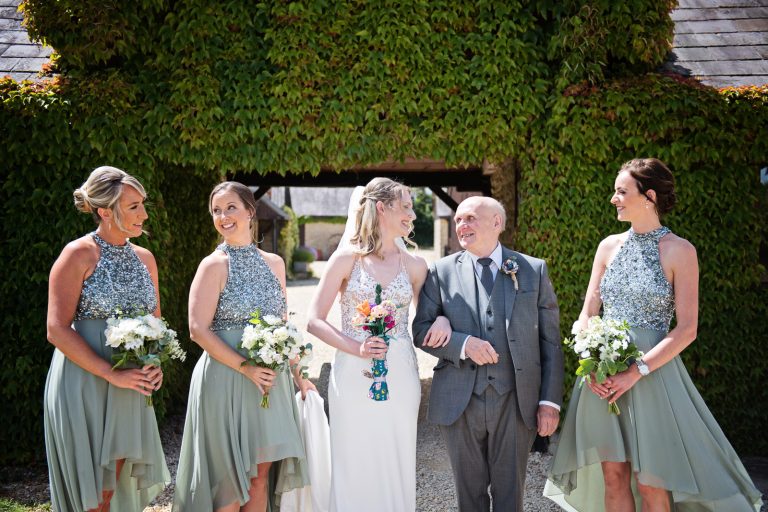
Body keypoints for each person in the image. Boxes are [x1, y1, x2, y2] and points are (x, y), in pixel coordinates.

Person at [544, 158, 763, 511]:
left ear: (648, 196)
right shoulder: (607, 246)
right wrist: (590, 359)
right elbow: (588, 312)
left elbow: (687, 329)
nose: (613, 199)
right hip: (603, 378)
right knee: (613, 476)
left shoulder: (681, 251)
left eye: (620, 191)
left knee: (652, 484)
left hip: (653, 378)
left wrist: (635, 372)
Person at [307, 178, 451, 512]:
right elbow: (315, 319)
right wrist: (356, 347)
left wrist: (441, 320)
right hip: (352, 372)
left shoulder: (415, 266)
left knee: (396, 452)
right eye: (406, 206)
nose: (412, 215)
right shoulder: (346, 260)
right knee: (352, 452)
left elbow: (428, 317)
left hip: (400, 372)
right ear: (382, 208)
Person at [412, 195, 564, 512]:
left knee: (511, 495)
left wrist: (549, 402)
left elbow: (550, 340)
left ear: (496, 222)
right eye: (458, 220)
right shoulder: (440, 272)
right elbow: (421, 331)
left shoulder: (532, 270)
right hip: (459, 400)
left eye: (470, 218)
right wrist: (463, 344)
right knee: (469, 496)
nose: (461, 226)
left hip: (515, 398)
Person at [173, 181, 314, 512]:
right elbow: (197, 329)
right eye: (216, 211)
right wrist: (245, 367)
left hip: (269, 382)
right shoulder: (213, 265)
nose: (223, 217)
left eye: (230, 208)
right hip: (226, 380)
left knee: (259, 475)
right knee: (229, 482)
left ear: (251, 211)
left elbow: (282, 323)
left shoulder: (275, 263)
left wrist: (298, 374)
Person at [44, 166, 170, 512]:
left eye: (143, 204)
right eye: (133, 207)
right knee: (91, 496)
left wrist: (154, 364)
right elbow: (56, 328)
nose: (143, 214)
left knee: (110, 492)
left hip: (130, 386)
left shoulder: (146, 259)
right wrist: (110, 373)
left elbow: (155, 323)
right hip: (84, 383)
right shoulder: (77, 254)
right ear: (104, 211)